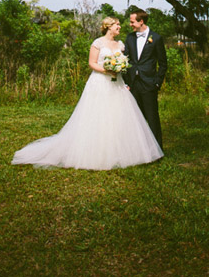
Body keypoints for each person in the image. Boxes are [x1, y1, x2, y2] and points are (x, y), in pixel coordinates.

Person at [11, 16, 163, 169]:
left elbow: (127, 62)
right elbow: (91, 63)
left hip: (117, 84)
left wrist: (119, 69)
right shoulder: (97, 43)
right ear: (109, 26)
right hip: (100, 83)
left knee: (117, 116)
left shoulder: (121, 44)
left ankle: (118, 151)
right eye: (117, 25)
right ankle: (95, 152)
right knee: (98, 116)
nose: (120, 27)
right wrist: (107, 70)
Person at [123, 9, 167, 149]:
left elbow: (163, 63)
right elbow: (125, 60)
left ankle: (157, 150)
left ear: (141, 21)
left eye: (132, 22)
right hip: (133, 84)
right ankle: (138, 149)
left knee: (152, 117)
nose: (130, 24)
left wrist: (157, 82)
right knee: (135, 118)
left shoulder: (156, 38)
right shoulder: (129, 38)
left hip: (149, 84)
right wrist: (126, 82)